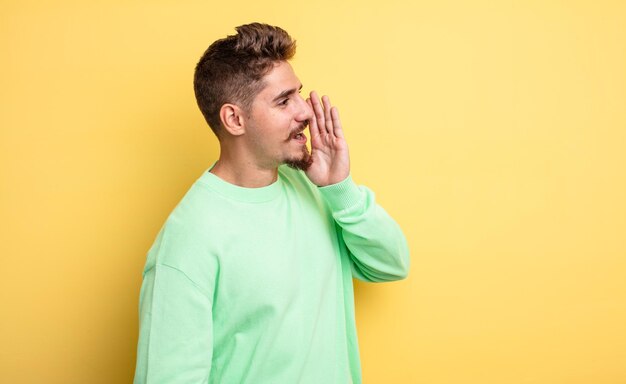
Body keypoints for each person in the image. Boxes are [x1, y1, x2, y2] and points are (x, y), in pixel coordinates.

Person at [133, 22, 410, 384]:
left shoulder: (314, 188)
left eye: (299, 93)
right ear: (234, 119)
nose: (305, 112)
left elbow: (391, 264)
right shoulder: (188, 240)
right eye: (283, 101)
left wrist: (339, 188)